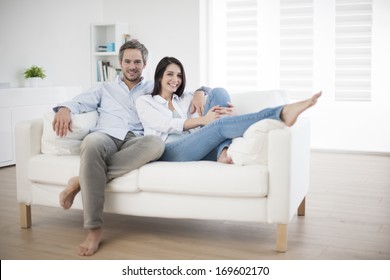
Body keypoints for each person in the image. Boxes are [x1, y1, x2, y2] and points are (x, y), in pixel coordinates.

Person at [52, 40, 168, 257]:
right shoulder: (104, 88)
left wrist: (200, 92)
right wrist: (65, 109)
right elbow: (78, 102)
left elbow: (181, 87)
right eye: (127, 61)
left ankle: (79, 181)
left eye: (137, 61)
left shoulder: (154, 87)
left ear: (145, 63)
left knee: (156, 144)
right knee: (91, 142)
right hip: (106, 135)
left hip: (136, 139)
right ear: (120, 63)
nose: (132, 66)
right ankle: (93, 230)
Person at [136, 56, 322, 163]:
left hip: (195, 144)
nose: (175, 80)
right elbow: (167, 124)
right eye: (170, 74)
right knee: (218, 125)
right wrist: (203, 121)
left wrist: (201, 92)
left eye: (179, 75)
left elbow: (210, 92)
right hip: (169, 150)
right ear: (159, 76)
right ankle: (280, 113)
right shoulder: (145, 102)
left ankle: (222, 152)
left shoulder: (183, 98)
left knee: (219, 92)